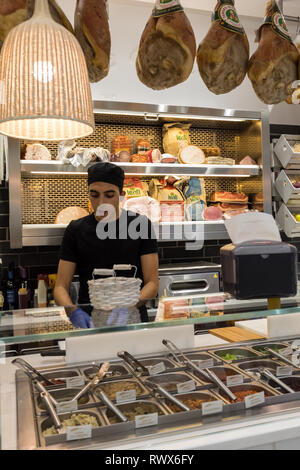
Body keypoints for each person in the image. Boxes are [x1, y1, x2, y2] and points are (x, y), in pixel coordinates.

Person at [54, 162, 159, 329]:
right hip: (90, 321)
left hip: (132, 319)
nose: (101, 202)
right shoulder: (76, 229)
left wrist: (128, 308)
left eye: (109, 195)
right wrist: (72, 311)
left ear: (121, 195)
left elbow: (152, 283)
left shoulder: (140, 225)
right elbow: (60, 285)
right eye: (94, 195)